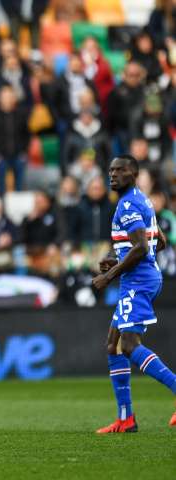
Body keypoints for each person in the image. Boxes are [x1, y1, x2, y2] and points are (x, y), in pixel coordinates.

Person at [92, 155, 176, 432]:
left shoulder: (127, 204)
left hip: (137, 281)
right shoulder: (142, 200)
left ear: (134, 174)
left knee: (128, 345)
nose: (113, 174)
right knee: (113, 343)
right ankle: (126, 418)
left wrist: (109, 274)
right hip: (140, 277)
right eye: (111, 170)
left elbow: (141, 247)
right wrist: (120, 262)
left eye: (121, 170)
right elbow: (158, 242)